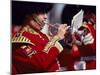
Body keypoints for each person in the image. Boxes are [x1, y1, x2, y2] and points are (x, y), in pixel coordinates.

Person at [12, 1, 68, 74]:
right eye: (42, 13)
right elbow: (41, 64)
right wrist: (58, 38)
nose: (46, 17)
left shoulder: (42, 36)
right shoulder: (20, 41)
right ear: (28, 14)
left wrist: (67, 42)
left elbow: (56, 59)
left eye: (46, 13)